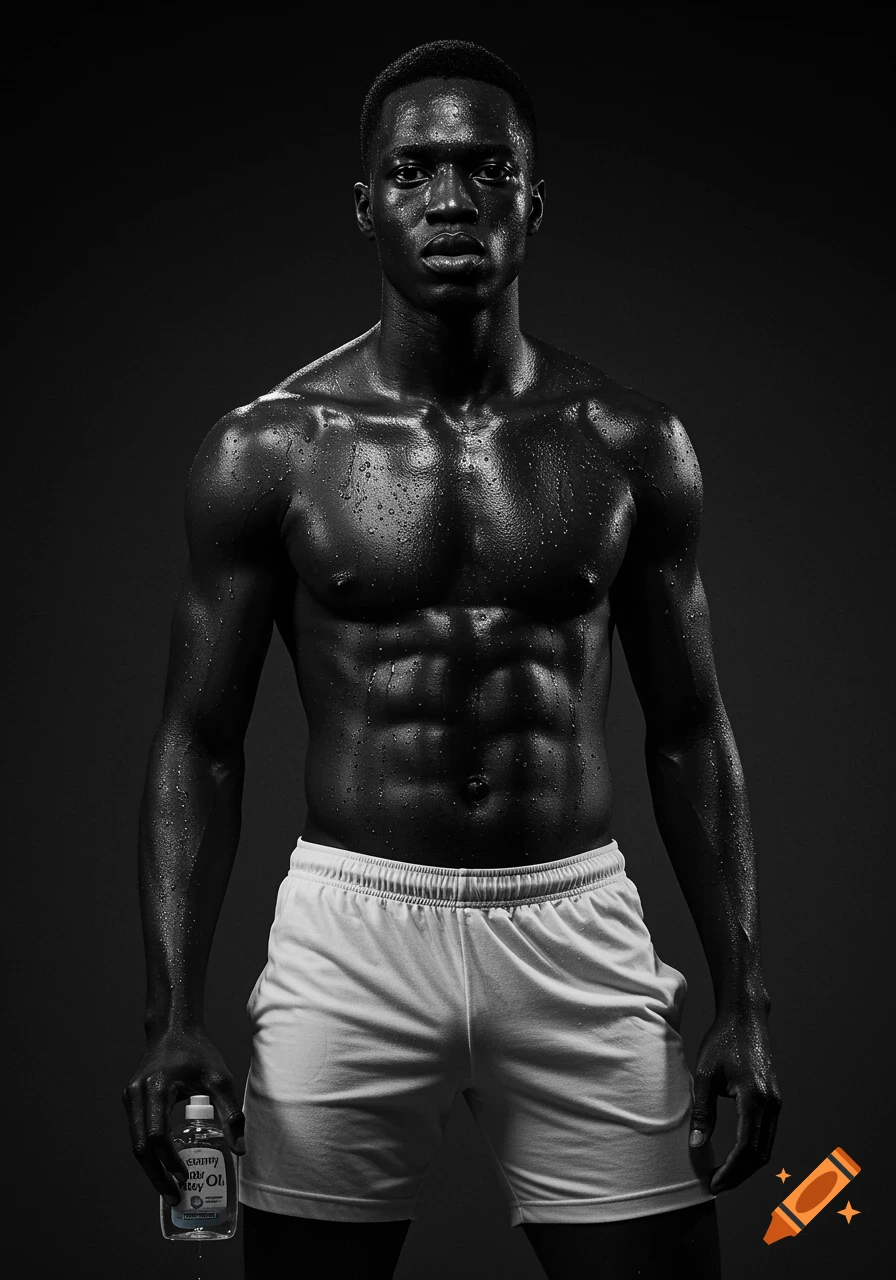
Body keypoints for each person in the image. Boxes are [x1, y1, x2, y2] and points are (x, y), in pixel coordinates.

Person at [122, 39, 781, 1279]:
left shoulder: (628, 440)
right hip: (350, 937)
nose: (451, 199)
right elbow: (195, 742)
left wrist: (745, 993)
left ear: (532, 199)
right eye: (415, 168)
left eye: (487, 169)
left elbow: (691, 724)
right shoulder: (270, 448)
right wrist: (174, 1017)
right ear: (365, 204)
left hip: (574, 930)